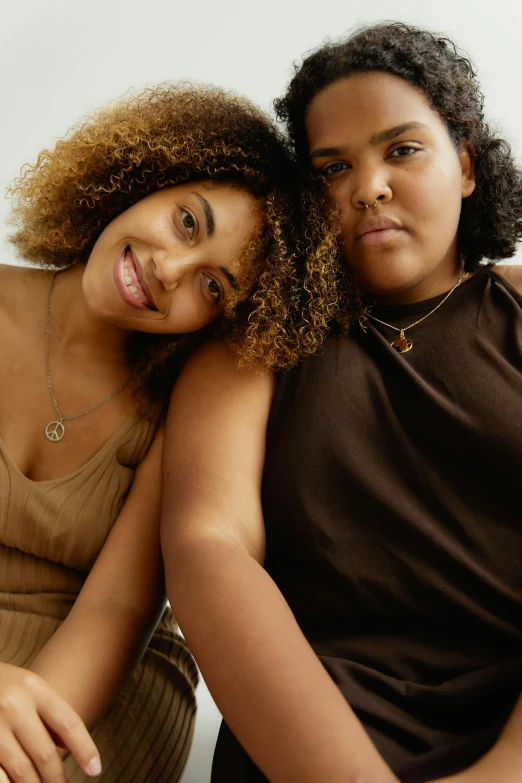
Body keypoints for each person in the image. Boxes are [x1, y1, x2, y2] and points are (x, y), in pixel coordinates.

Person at [160, 23, 522, 783]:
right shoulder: (255, 347)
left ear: (464, 163)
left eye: (402, 150)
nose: (369, 187)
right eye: (333, 168)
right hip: (312, 735)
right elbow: (207, 548)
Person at [0, 82, 332, 783]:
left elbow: (118, 609)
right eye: (187, 222)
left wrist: (24, 727)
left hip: (102, 680)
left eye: (214, 288)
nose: (169, 271)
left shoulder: (177, 407)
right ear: (145, 178)